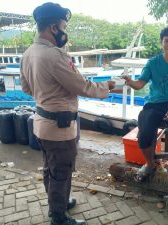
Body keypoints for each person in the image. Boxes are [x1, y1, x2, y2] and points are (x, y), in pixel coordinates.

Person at [20, 2, 115, 225]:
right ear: (53, 28)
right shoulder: (55, 56)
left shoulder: (28, 53)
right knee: (61, 172)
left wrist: (47, 92)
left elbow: (26, 88)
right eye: (63, 26)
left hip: (41, 123)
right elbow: (83, 86)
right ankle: (58, 217)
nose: (64, 31)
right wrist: (107, 87)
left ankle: (58, 202)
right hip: (59, 129)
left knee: (50, 167)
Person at [123, 26, 168, 184]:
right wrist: (130, 81)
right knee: (144, 135)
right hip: (155, 104)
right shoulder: (153, 63)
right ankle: (150, 164)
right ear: (162, 43)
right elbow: (140, 84)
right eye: (166, 40)